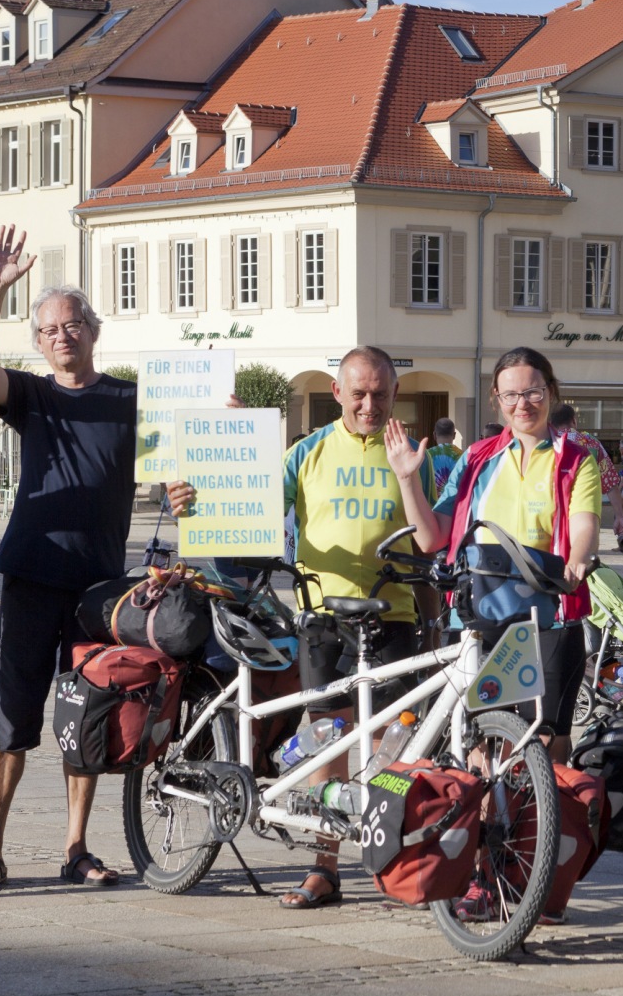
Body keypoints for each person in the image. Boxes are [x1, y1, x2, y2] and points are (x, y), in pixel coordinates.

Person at [167, 347, 438, 910]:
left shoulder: (411, 455)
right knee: (327, 744)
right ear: (336, 393)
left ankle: (394, 856)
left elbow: (428, 540)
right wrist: (208, 479)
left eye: (381, 394)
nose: (369, 404)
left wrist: (434, 621)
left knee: (396, 744)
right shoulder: (306, 451)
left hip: (395, 619)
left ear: (395, 393)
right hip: (322, 616)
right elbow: (250, 513)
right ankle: (324, 868)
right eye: (358, 393)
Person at [389, 347, 599, 921]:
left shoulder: (574, 459)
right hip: (480, 620)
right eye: (510, 395)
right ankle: (484, 876)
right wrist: (410, 479)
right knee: (486, 754)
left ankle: (537, 877)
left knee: (547, 752)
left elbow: (583, 528)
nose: (522, 404)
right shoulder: (479, 457)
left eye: (532, 391)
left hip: (550, 619)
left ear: (549, 392)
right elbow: (432, 537)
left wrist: (578, 560)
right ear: (497, 400)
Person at [0, 225, 138, 890]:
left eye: (73, 325)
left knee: (87, 715)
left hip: (100, 586)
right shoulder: (32, 397)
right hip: (33, 572)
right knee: (12, 711)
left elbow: (185, 446)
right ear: (38, 342)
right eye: (51, 330)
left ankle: (76, 848)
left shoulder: (126, 400)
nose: (63, 335)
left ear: (94, 331)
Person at [550, 403, 623, 540]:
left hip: (549, 518)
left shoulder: (544, 443)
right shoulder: (591, 443)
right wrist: (620, 516)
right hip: (585, 517)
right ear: (574, 420)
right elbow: (610, 483)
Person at [427, 416, 462, 490]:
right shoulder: (463, 456)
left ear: (434, 435)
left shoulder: (426, 455)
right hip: (457, 500)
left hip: (432, 501)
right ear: (454, 435)